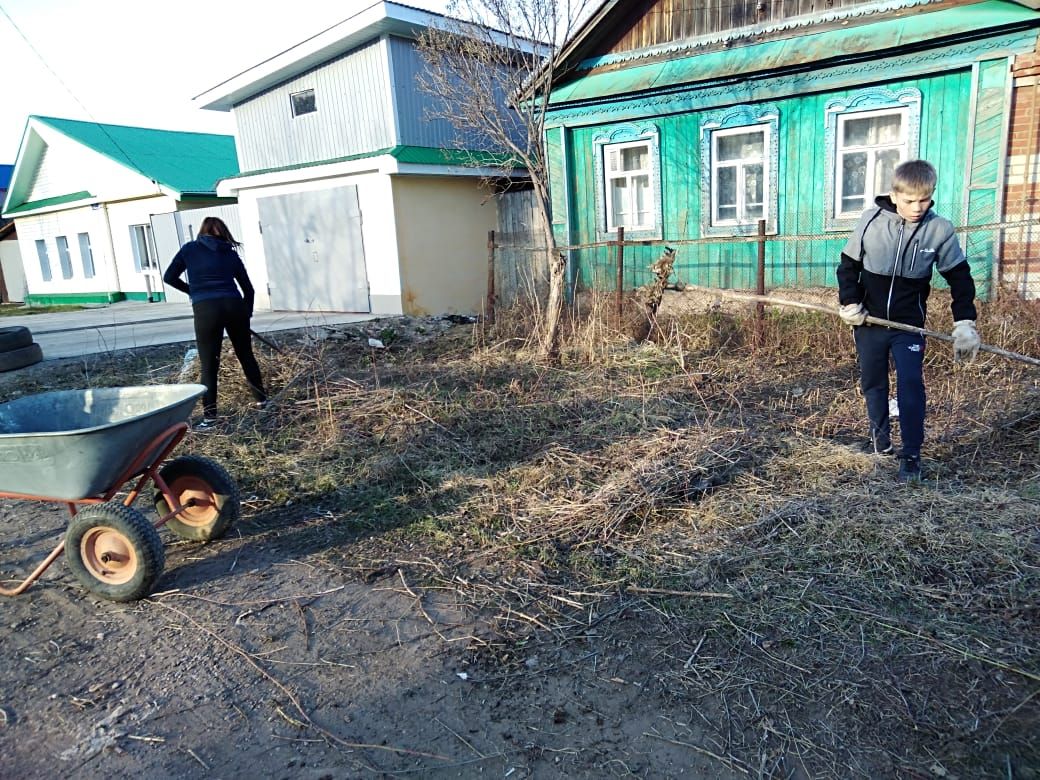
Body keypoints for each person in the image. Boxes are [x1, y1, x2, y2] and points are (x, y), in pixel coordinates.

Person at [836, 159, 980, 482]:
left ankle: (911, 454)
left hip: (909, 326)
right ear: (895, 194)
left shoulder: (939, 229)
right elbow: (847, 266)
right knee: (873, 381)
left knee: (911, 383)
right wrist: (850, 302)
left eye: (925, 200)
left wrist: (965, 322)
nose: (917, 207)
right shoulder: (870, 220)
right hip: (869, 322)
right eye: (910, 200)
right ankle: (880, 442)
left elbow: (960, 277)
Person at [163, 217, 267, 429]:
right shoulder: (230, 253)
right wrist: (246, 313)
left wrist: (192, 290)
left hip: (206, 310)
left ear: (202, 232)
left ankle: (210, 417)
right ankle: (262, 402)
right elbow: (249, 289)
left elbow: (169, 277)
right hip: (234, 305)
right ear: (224, 233)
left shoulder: (189, 250)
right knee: (246, 355)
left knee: (209, 364)